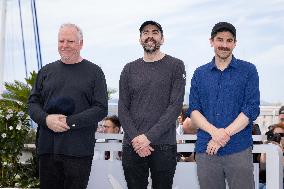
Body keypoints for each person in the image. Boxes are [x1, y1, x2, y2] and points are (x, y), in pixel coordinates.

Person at [28, 23, 108, 189]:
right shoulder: (45, 71)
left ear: (81, 43)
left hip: (78, 150)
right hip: (47, 148)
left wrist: (69, 121)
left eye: (70, 41)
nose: (64, 45)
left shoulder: (94, 73)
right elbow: (33, 103)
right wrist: (46, 119)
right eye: (61, 41)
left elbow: (101, 108)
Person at [187, 21, 260, 189]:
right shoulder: (200, 73)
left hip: (239, 149)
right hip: (207, 150)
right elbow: (194, 110)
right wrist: (215, 133)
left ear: (235, 43)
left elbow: (251, 108)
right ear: (211, 41)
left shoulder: (248, 70)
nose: (224, 45)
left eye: (229, 40)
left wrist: (223, 135)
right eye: (220, 39)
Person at [118, 20, 186, 189]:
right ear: (140, 39)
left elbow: (175, 106)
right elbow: (123, 108)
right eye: (145, 33)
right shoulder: (129, 69)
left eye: (155, 32)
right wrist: (136, 139)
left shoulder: (176, 66)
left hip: (163, 145)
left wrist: (148, 138)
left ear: (162, 39)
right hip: (133, 145)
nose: (150, 36)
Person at [259, 122, 284, 189]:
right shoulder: (270, 148)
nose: (278, 137)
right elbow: (262, 167)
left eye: (281, 135)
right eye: (275, 134)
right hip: (266, 181)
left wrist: (280, 150)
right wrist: (264, 149)